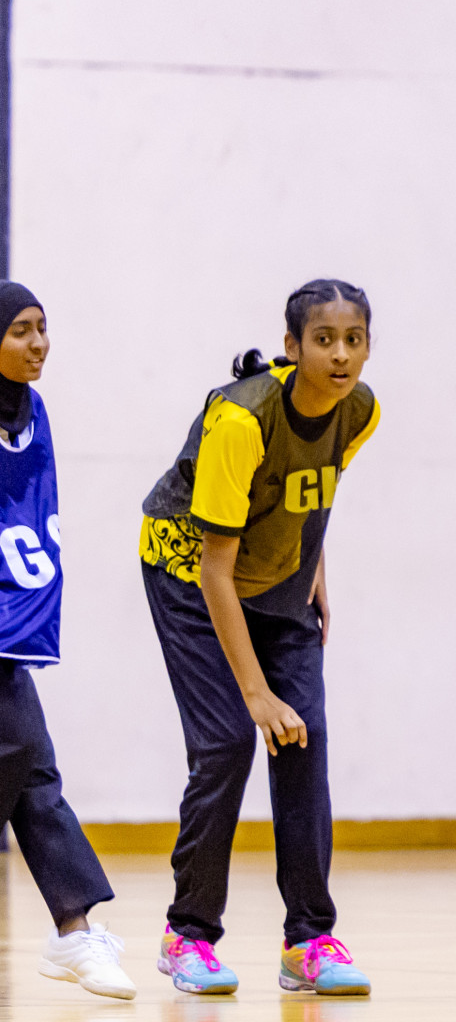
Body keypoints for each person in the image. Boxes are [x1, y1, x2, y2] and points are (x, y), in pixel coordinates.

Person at [139, 279, 380, 997]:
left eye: (355, 340)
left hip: (277, 580)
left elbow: (307, 490)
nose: (340, 356)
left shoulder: (360, 410)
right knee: (227, 743)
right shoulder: (242, 421)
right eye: (324, 340)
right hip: (189, 572)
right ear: (291, 347)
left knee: (304, 740)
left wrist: (315, 569)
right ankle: (187, 937)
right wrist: (255, 695)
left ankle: (310, 940)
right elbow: (216, 568)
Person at [0, 282, 136, 1000]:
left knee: (34, 773)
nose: (38, 343)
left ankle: (74, 934)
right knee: (27, 762)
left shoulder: (31, 412)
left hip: (6, 629)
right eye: (21, 330)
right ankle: (74, 934)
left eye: (42, 328)